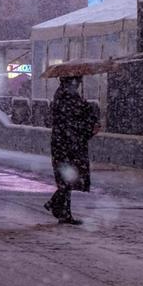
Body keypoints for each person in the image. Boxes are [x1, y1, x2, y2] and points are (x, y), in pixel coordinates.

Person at [44, 75, 99, 225]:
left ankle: (63, 212)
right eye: (78, 81)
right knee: (69, 178)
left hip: (63, 142)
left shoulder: (63, 94)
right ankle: (56, 205)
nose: (79, 83)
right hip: (69, 143)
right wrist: (89, 118)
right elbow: (75, 119)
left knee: (67, 178)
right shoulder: (68, 96)